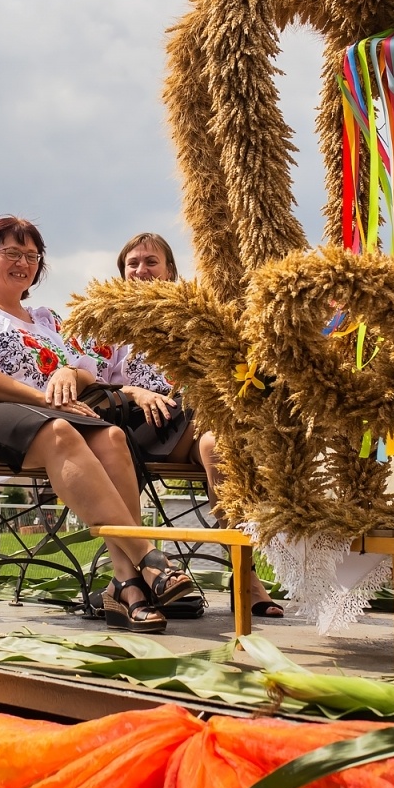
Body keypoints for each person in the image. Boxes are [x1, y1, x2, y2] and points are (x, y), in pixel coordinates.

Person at [0, 215, 195, 633]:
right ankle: (151, 559)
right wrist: (42, 399)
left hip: (42, 419)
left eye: (31, 256)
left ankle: (126, 586)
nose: (23, 262)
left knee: (113, 438)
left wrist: (71, 375)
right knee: (60, 431)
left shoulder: (47, 320)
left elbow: (89, 372)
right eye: (11, 252)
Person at [84, 232, 283, 618]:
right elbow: (88, 382)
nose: (142, 270)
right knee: (221, 428)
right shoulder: (107, 323)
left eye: (151, 262)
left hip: (187, 421)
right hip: (131, 426)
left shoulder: (190, 318)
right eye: (133, 264)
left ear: (170, 271)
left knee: (219, 447)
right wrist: (135, 392)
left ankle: (246, 576)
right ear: (122, 274)